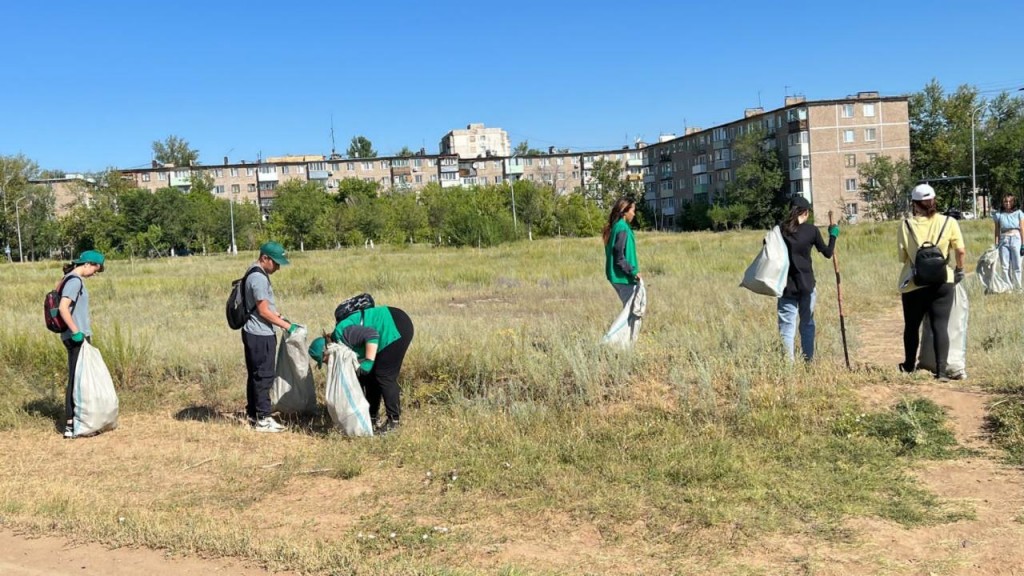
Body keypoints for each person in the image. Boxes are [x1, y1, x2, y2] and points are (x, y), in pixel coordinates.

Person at [308, 305, 414, 434]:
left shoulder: (342, 333)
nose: (328, 364)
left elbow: (372, 335)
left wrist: (368, 362)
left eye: (325, 361)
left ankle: (394, 422)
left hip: (395, 325)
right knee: (370, 377)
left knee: (384, 375)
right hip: (394, 323)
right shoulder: (343, 347)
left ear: (327, 350)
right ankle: (372, 418)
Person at [897, 184, 966, 380]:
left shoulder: (906, 225)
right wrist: (959, 270)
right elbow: (960, 250)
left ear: (915, 205)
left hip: (914, 283)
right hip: (943, 281)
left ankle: (909, 365)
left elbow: (903, 257)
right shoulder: (949, 222)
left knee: (911, 326)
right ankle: (942, 371)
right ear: (934, 201)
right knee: (940, 326)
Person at [241, 241, 298, 433]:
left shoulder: (254, 271)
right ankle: (263, 419)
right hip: (260, 334)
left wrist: (279, 316)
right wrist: (287, 326)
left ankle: (253, 414)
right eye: (276, 262)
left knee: (255, 375)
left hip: (253, 332)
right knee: (264, 377)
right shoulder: (258, 278)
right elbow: (263, 311)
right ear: (264, 258)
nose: (279, 267)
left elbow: (264, 309)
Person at [778, 196, 838, 362]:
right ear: (805, 212)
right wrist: (833, 235)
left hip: (785, 286)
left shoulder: (780, 230)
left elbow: (767, 246)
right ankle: (808, 361)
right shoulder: (811, 230)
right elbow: (827, 253)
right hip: (807, 285)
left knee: (786, 327)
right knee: (807, 323)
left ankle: (787, 365)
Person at [57, 250, 105, 438]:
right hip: (76, 337)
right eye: (95, 269)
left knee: (79, 379)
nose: (94, 273)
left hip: (73, 335)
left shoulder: (67, 278)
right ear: (88, 264)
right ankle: (72, 425)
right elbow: (63, 308)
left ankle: (80, 422)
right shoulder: (75, 281)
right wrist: (76, 332)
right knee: (77, 380)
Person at [603, 197, 641, 306]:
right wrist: (633, 272)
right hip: (623, 277)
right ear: (625, 211)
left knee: (630, 311)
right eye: (633, 210)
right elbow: (618, 255)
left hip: (619, 276)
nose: (634, 214)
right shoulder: (622, 227)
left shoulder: (619, 226)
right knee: (631, 313)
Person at [993, 194, 1023, 291]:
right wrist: (996, 244)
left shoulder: (1019, 213)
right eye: (1006, 201)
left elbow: (1022, 229)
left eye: (1010, 201)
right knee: (1005, 266)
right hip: (1004, 239)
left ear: (1013, 202)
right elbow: (997, 230)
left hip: (1016, 238)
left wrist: (1023, 244)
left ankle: (1018, 287)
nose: (1008, 203)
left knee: (1017, 264)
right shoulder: (998, 215)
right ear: (1003, 202)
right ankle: (1008, 287)